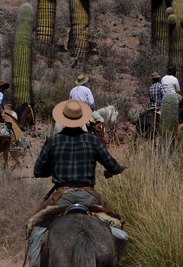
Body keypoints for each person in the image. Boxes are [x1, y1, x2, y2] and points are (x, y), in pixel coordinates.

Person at [27, 99, 128, 267]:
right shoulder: (94, 141)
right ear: (82, 119)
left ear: (63, 119)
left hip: (61, 197)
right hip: (89, 197)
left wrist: (56, 170)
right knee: (119, 228)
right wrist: (115, 169)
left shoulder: (52, 141)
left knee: (35, 229)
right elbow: (113, 166)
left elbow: (38, 171)